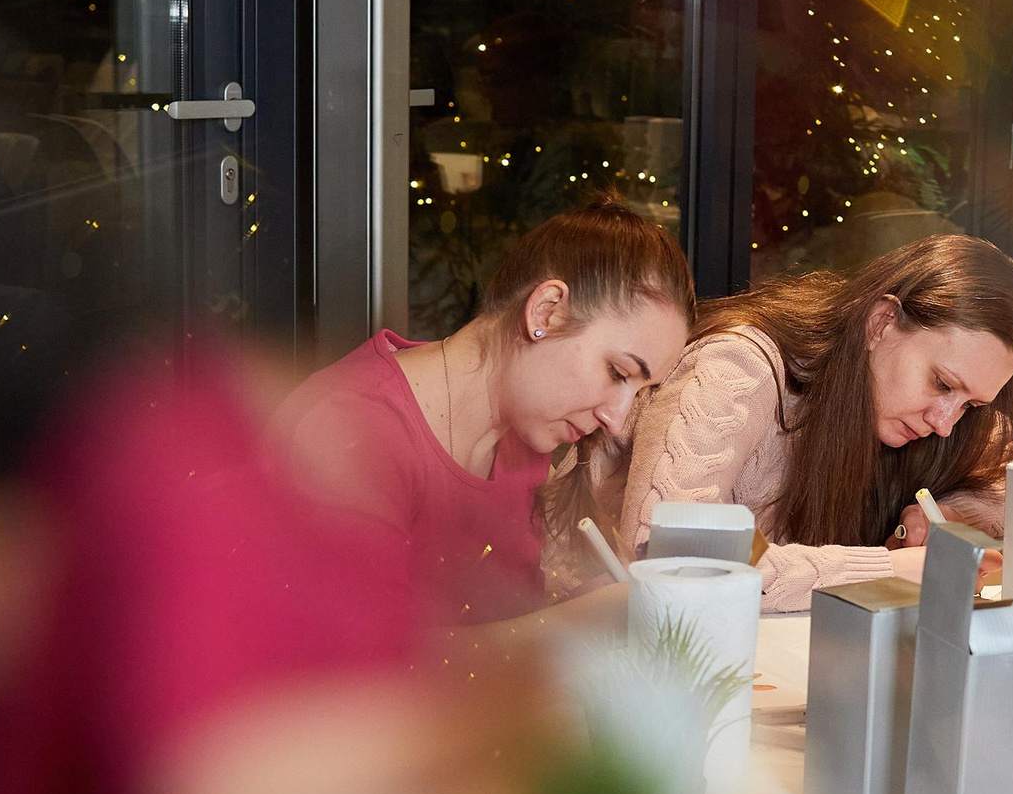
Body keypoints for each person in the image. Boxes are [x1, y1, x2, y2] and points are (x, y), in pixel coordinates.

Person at [273, 202, 696, 629]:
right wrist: (576, 624)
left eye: (640, 391)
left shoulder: (524, 435)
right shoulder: (353, 429)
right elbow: (369, 671)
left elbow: (498, 625)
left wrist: (587, 603)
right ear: (546, 312)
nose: (617, 420)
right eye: (617, 372)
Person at [612, 234, 1013, 613]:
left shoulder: (922, 410)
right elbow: (666, 556)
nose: (945, 423)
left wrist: (950, 511)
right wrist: (887, 570)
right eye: (941, 383)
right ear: (881, 324)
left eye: (972, 406)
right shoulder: (737, 367)